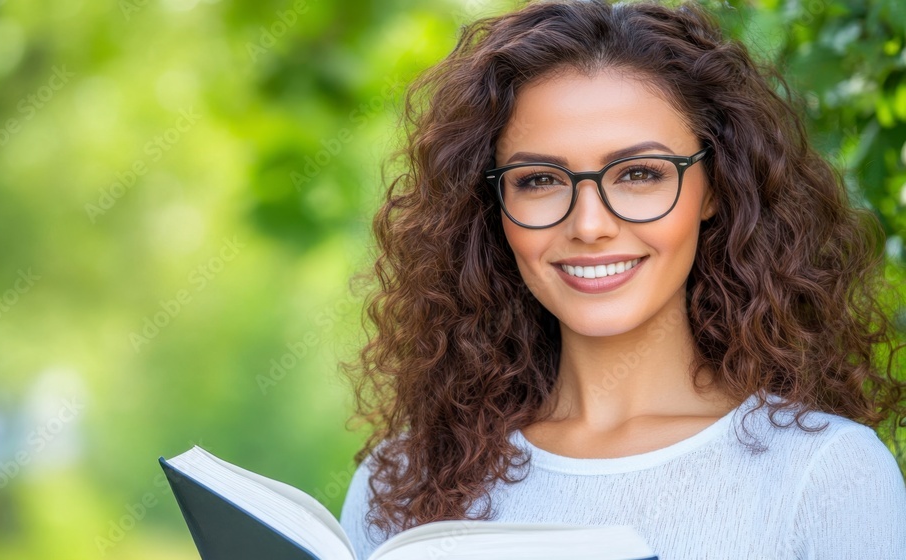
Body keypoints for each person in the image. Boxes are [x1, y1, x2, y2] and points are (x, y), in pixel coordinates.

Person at [338, 1, 906, 558]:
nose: (589, 225)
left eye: (639, 174)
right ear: (494, 205)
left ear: (715, 187)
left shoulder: (827, 474)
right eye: (539, 180)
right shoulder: (400, 483)